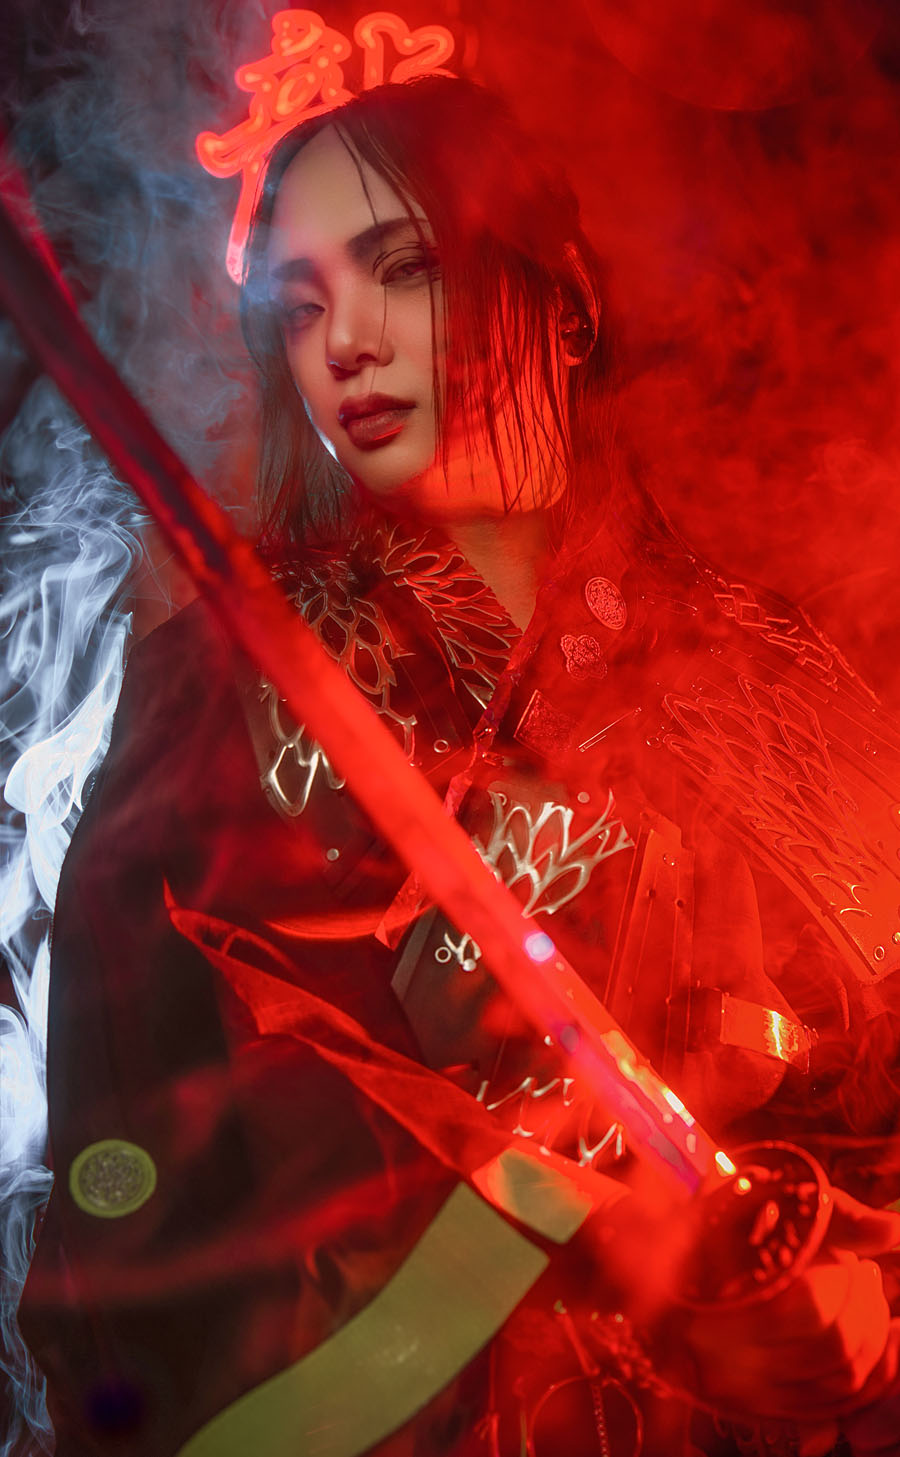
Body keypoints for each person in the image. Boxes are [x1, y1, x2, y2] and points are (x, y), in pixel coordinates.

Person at [18, 74, 900, 1457]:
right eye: (300, 306)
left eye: (405, 268)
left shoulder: (774, 679)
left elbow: (874, 1101)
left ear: (569, 302)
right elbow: (142, 1165)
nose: (346, 343)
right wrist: (566, 1230)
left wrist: (842, 1278)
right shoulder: (226, 689)